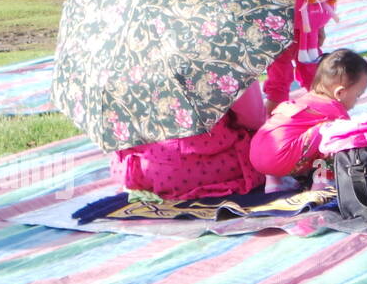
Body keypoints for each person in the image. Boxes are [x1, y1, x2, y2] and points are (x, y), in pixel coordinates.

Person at [111, 81, 266, 200]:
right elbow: (253, 118)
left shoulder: (124, 60)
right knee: (263, 146)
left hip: (143, 170)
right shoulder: (221, 49)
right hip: (212, 168)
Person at [250, 49, 367, 186]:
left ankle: (274, 183)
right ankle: (321, 183)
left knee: (296, 135)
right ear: (340, 92)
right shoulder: (335, 111)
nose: (356, 102)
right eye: (357, 96)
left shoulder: (307, 100)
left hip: (256, 155)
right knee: (339, 135)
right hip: (280, 158)